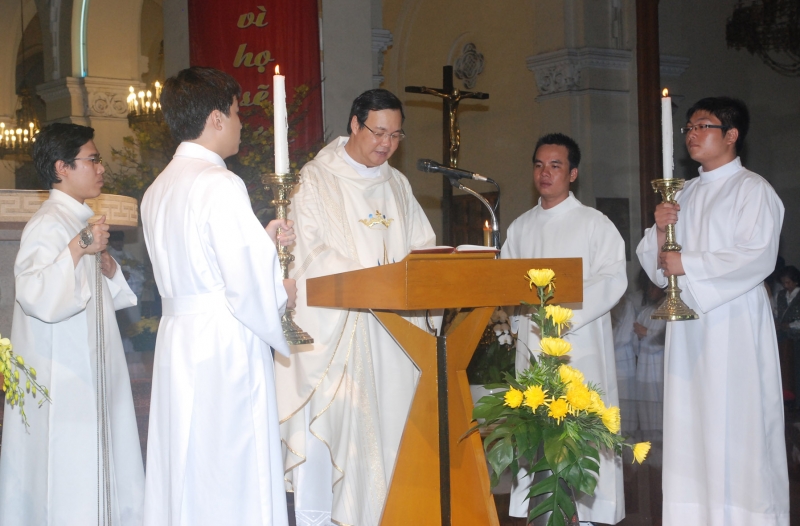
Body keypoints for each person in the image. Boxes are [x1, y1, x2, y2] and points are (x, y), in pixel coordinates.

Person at [140, 67, 296, 526]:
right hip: (224, 344)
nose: (241, 123)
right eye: (236, 112)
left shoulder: (158, 188)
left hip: (178, 338)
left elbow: (200, 264)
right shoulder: (219, 182)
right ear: (215, 118)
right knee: (231, 464)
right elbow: (244, 286)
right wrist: (282, 292)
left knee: (186, 460)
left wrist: (262, 242)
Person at [274, 89, 436, 526]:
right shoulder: (316, 179)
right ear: (354, 124)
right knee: (342, 436)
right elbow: (309, 253)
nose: (386, 144)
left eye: (395, 136)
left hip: (397, 337)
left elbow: (423, 246)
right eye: (378, 132)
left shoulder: (397, 185)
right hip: (342, 336)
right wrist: (374, 282)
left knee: (395, 433)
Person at [636, 96, 788, 525]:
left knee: (739, 423)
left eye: (702, 126)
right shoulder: (682, 193)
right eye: (688, 128)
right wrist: (661, 228)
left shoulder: (753, 189)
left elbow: (758, 255)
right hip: (688, 330)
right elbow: (653, 261)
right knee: (690, 424)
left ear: (731, 134)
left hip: (734, 322)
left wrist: (689, 264)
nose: (691, 134)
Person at [0, 123, 144, 524]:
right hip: (65, 374)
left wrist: (107, 268)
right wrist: (80, 246)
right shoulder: (48, 222)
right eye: (92, 159)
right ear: (61, 167)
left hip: (89, 369)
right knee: (68, 470)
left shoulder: (76, 219)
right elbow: (35, 293)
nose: (101, 168)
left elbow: (95, 294)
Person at [502, 133, 627, 525]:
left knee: (580, 433)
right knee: (537, 430)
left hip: (579, 347)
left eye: (555, 166)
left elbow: (613, 278)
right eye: (539, 165)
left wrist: (562, 314)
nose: (545, 173)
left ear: (572, 174)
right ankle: (543, 514)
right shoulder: (520, 227)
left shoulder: (594, 224)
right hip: (533, 346)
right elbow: (506, 282)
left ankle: (585, 517)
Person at [107, 231, 146, 352]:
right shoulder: (107, 255)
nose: (118, 243)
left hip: (134, 292)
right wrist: (121, 275)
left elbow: (137, 269)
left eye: (120, 240)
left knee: (135, 321)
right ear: (110, 242)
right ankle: (124, 351)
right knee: (123, 323)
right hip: (119, 295)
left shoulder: (127, 254)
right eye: (115, 240)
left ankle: (134, 349)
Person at [776, 266, 800, 404]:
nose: (786, 286)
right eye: (783, 282)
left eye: (788, 282)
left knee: (796, 369)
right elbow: (777, 312)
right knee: (786, 370)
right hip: (784, 339)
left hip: (797, 338)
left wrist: (789, 325)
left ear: (795, 281)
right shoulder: (781, 295)